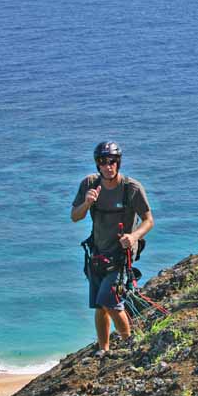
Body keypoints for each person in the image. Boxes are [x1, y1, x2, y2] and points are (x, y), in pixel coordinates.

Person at [71, 141, 154, 356]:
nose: (108, 166)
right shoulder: (89, 183)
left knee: (109, 300)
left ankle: (129, 343)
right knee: (99, 305)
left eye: (113, 162)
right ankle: (103, 349)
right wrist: (88, 203)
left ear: (119, 163)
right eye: (103, 162)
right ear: (97, 164)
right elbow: (75, 216)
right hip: (97, 253)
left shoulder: (131, 188)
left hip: (121, 254)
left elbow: (148, 220)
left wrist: (134, 235)